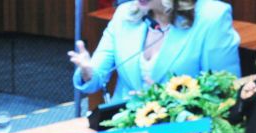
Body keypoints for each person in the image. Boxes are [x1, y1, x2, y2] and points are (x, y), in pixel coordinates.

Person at [68, 0, 240, 103]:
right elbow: (96, 78)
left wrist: (169, 100)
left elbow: (225, 91)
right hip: (122, 129)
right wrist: (88, 73)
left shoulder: (212, 17)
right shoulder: (125, 15)